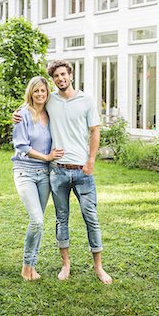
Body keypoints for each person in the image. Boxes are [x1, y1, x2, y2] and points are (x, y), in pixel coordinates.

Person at [14, 61, 112, 285]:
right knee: (61, 219)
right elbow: (32, 103)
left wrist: (91, 160)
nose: (60, 79)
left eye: (63, 74)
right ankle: (65, 265)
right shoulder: (51, 100)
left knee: (92, 218)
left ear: (70, 75)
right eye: (56, 76)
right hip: (56, 172)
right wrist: (17, 114)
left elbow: (95, 130)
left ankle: (99, 267)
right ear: (53, 80)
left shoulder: (86, 100)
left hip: (82, 171)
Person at [12, 76, 64, 281]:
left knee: (39, 222)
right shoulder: (22, 114)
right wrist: (47, 157)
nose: (40, 94)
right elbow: (22, 146)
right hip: (25, 171)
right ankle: (26, 266)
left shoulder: (52, 115)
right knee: (37, 220)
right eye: (36, 91)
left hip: (44, 175)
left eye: (43, 91)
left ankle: (32, 266)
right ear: (30, 93)